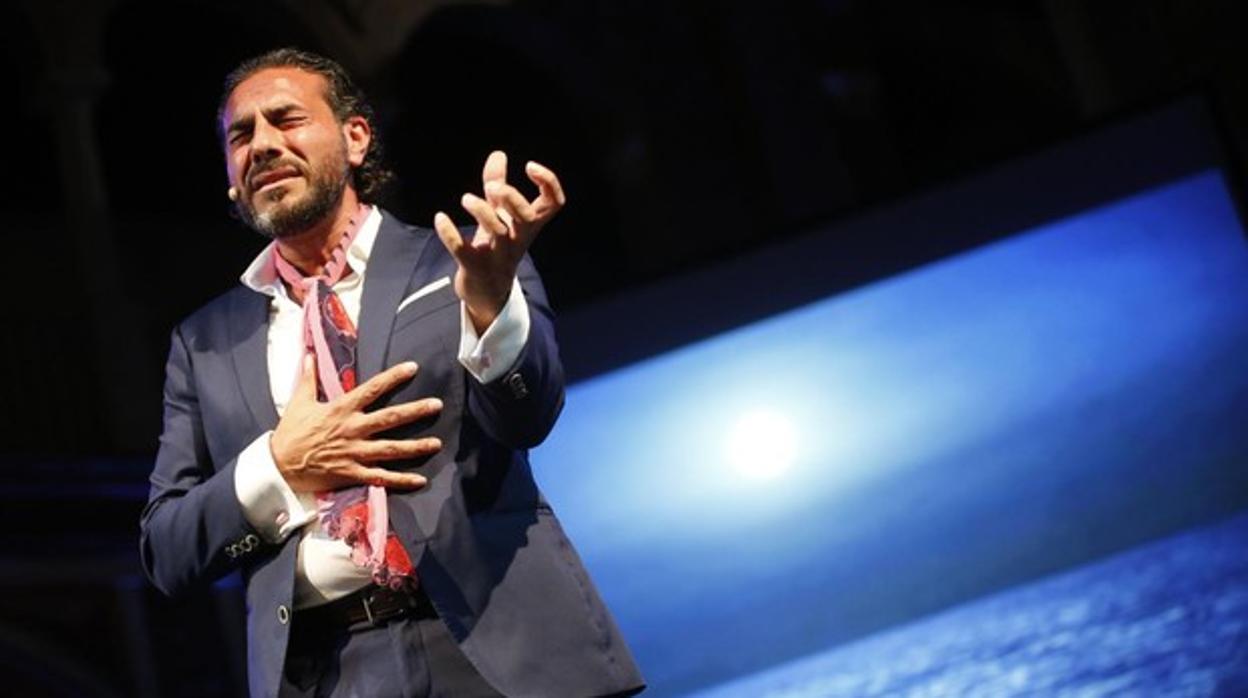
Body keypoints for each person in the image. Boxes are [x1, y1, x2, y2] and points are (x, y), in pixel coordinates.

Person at [139, 48, 644, 697]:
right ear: (232, 181)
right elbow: (167, 550)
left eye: (286, 120)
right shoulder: (204, 342)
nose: (262, 145)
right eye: (242, 136)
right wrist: (280, 469)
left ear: (356, 138)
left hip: (497, 650)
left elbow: (530, 414)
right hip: (327, 673)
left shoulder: (465, 260)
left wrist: (491, 305)